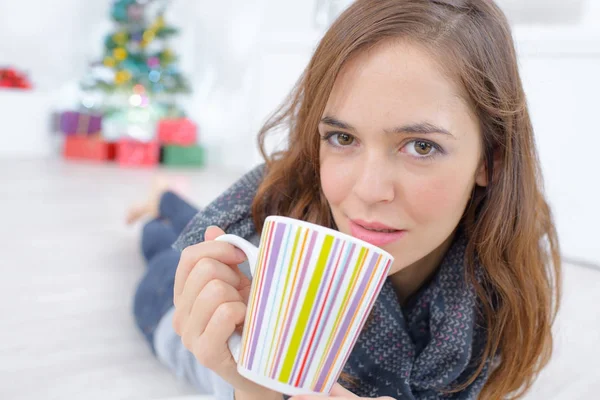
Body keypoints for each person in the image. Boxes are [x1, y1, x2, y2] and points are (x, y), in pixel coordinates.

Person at [130, 0, 562, 399]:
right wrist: (256, 387)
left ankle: (162, 201)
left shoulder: (502, 280)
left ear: (489, 160)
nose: (369, 191)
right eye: (342, 137)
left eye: (421, 146)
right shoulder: (270, 242)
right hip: (170, 306)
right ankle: (158, 208)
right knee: (158, 249)